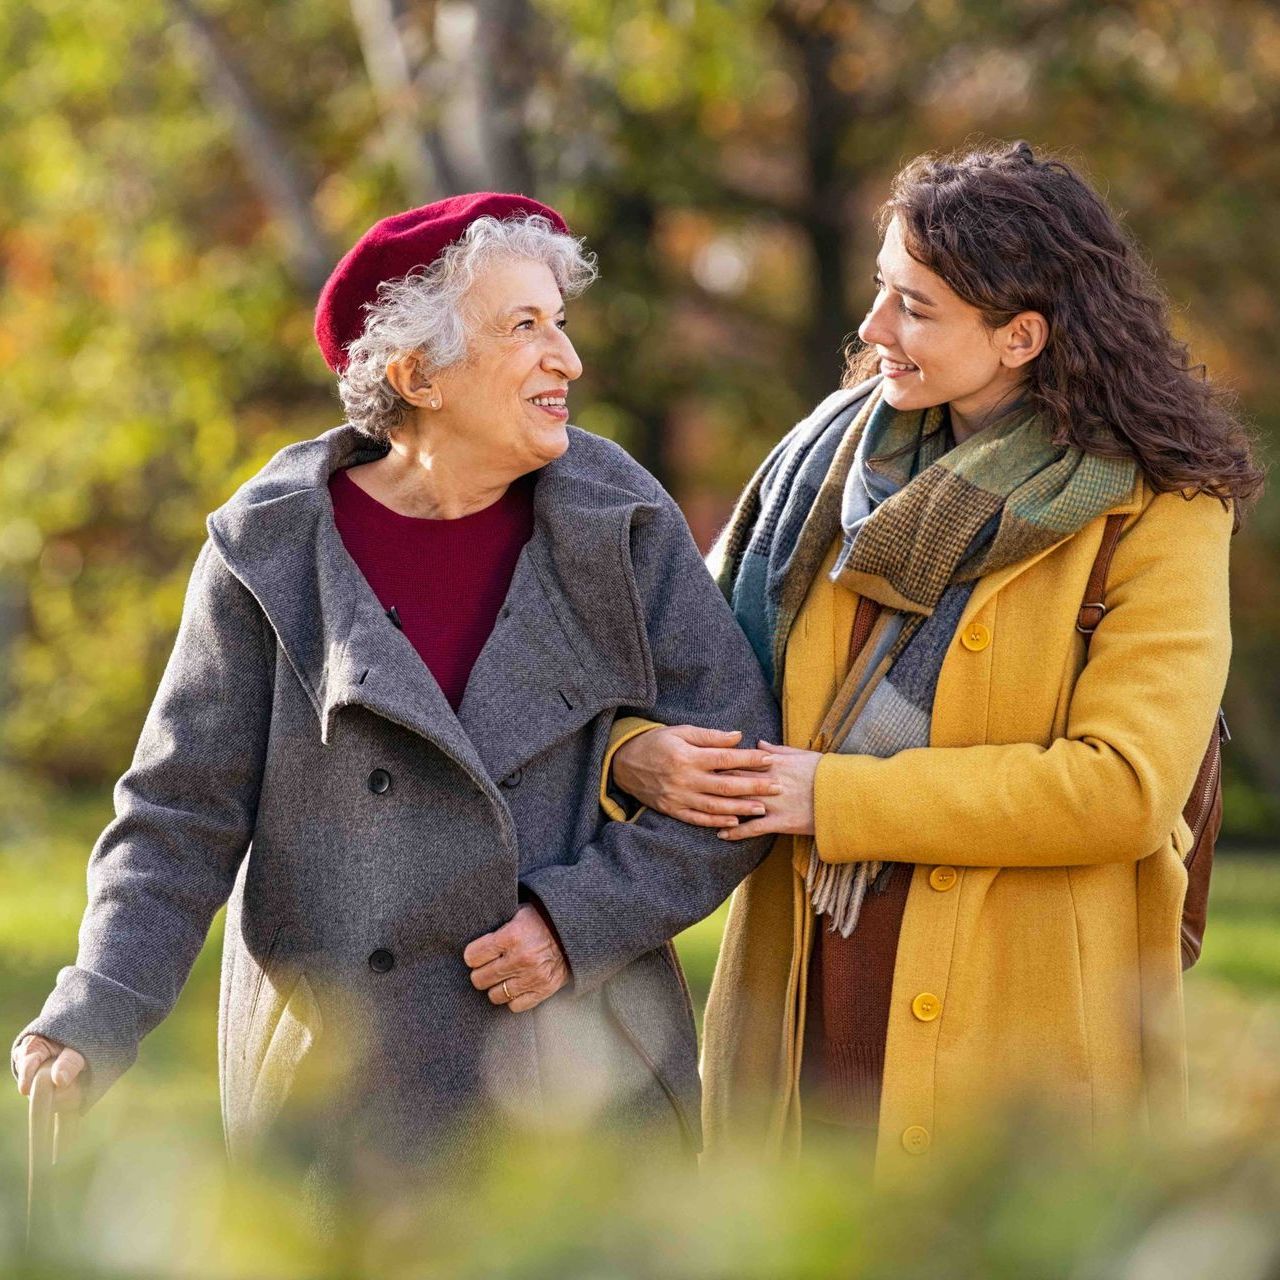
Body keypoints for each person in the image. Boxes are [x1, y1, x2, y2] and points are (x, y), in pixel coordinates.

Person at [10, 194, 780, 1208]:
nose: (567, 360)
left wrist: (575, 917)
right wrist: (94, 1006)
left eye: (560, 322)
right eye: (524, 327)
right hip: (343, 1090)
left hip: (580, 1076)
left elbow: (735, 776)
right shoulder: (270, 551)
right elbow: (179, 813)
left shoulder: (619, 519)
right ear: (416, 374)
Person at [603, 142, 1262, 1179]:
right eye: (878, 290)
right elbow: (668, 669)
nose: (871, 331)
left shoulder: (1159, 510)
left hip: (1020, 1039)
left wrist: (838, 796)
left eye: (912, 305)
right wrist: (636, 751)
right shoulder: (819, 472)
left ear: (1018, 335)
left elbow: (1123, 786)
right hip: (801, 1004)